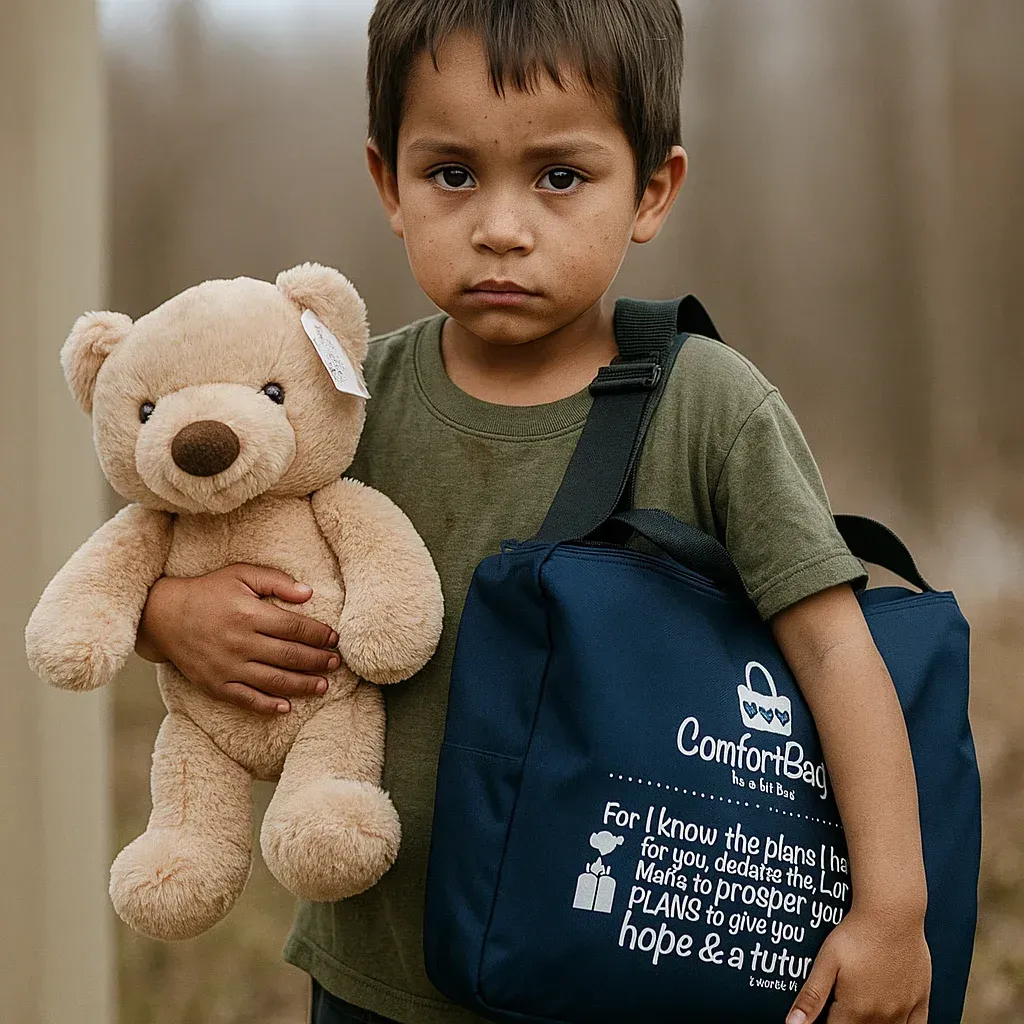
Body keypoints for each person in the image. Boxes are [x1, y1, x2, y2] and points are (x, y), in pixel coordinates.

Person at [135, 2, 931, 1022]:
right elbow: (180, 543)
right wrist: (170, 618)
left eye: (560, 177)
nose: (500, 227)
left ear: (651, 189)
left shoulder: (710, 408)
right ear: (388, 182)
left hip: (622, 967)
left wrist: (892, 908)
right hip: (377, 974)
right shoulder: (341, 401)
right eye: (451, 174)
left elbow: (833, 650)